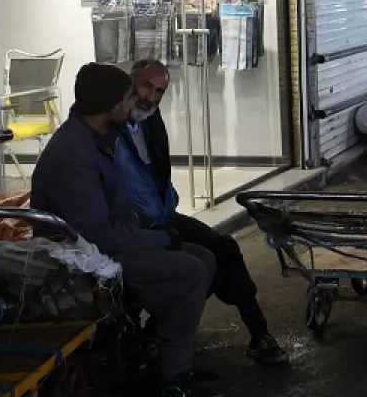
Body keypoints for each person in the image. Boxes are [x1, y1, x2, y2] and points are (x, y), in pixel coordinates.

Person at [31, 63, 221, 397]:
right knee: (189, 269)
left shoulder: (99, 138)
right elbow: (97, 235)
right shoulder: (75, 153)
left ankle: (163, 355)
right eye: (130, 95)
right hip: (83, 257)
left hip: (105, 243)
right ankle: (173, 379)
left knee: (205, 257)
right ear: (110, 103)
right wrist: (161, 240)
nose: (136, 102)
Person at [114, 60, 288, 365]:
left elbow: (157, 175)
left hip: (161, 216)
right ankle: (157, 337)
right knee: (202, 264)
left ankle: (259, 334)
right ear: (130, 82)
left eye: (160, 91)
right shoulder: (110, 129)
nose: (152, 97)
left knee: (225, 248)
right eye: (146, 86)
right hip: (132, 227)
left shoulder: (151, 121)